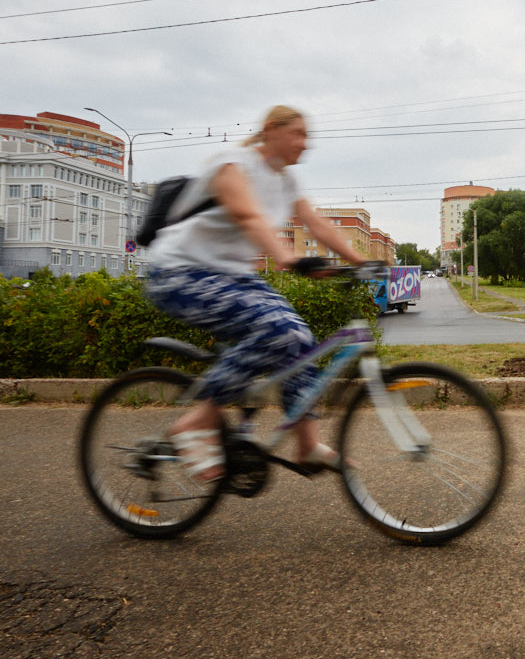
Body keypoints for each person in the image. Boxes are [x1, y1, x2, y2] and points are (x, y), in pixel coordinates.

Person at [144, 105, 367, 482]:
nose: (305, 144)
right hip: (180, 273)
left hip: (231, 276)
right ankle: (194, 423)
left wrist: (363, 262)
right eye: (298, 134)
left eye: (307, 136)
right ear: (270, 131)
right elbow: (248, 216)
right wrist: (289, 258)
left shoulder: (286, 181)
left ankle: (307, 443)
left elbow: (318, 225)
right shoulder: (232, 163)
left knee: (298, 335)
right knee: (276, 328)